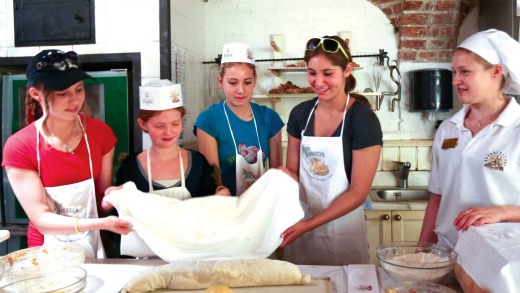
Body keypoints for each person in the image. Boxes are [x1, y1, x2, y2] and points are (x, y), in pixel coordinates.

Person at [1, 49, 133, 258]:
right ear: (36, 94)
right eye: (62, 94)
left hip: (95, 244)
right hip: (46, 250)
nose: (74, 101)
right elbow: (42, 219)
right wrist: (101, 223)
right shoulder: (19, 146)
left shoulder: (100, 134)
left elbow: (100, 201)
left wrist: (113, 198)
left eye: (79, 90)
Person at [279, 36, 383, 266]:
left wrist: (309, 224)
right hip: (300, 227)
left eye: (328, 73)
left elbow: (357, 193)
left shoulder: (363, 120)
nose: (318, 82)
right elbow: (294, 174)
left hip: (343, 233)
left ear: (347, 70)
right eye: (312, 73)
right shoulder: (300, 115)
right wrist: (277, 179)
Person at [418, 29, 520, 249]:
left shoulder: (516, 128)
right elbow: (437, 197)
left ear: (495, 71)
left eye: (465, 72)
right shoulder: (448, 129)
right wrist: (422, 251)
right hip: (446, 251)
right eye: (454, 72)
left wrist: (503, 212)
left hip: (499, 256)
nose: (455, 81)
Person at [194, 42, 284, 196]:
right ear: (220, 81)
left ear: (255, 81)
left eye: (247, 82)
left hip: (261, 204)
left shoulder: (269, 118)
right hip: (226, 207)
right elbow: (214, 180)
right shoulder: (209, 120)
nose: (240, 90)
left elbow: (277, 174)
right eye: (233, 82)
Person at [115, 81, 230, 198]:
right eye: (159, 126)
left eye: (175, 124)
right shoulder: (129, 168)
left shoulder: (198, 163)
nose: (168, 132)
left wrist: (220, 194)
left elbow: (210, 208)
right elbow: (120, 213)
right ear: (143, 124)